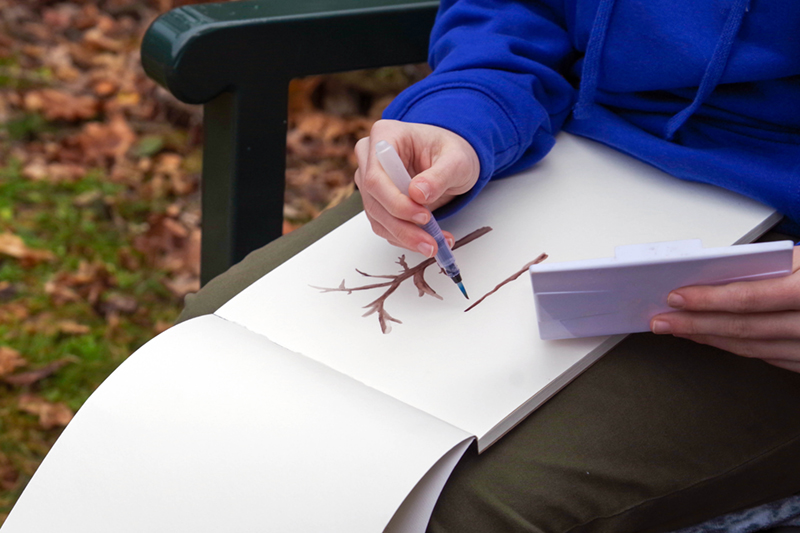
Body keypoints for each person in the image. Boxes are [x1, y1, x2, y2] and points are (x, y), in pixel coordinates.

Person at [179, 0, 800, 531]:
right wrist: (466, 111)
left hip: (774, 272)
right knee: (216, 343)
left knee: (453, 503)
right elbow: (514, 12)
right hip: (569, 151)